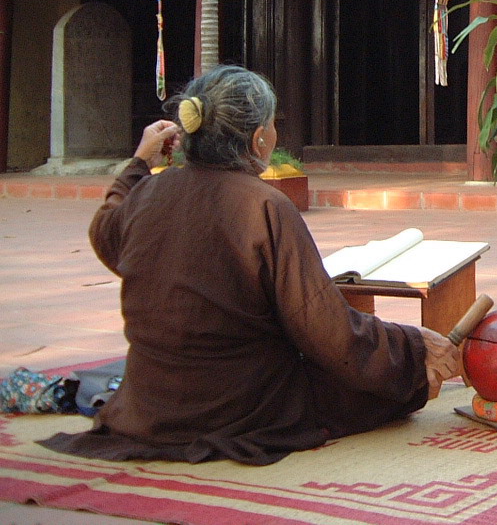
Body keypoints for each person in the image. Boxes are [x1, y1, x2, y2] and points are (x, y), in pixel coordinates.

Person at [40, 65, 462, 465]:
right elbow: (328, 333)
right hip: (237, 406)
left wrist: (139, 161)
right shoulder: (264, 205)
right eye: (274, 125)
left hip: (149, 404)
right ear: (259, 138)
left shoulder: (147, 192)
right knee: (389, 388)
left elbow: (105, 233)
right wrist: (412, 347)